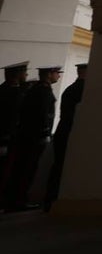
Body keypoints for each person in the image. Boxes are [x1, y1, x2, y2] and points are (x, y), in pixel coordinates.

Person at [4, 65, 61, 211]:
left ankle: (13, 200)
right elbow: (43, 114)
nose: (58, 76)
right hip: (34, 137)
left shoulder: (35, 89)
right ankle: (18, 201)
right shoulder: (43, 91)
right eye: (56, 73)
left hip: (27, 136)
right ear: (49, 74)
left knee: (21, 169)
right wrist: (45, 133)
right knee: (26, 169)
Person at [44, 62, 87, 211]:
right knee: (62, 166)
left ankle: (50, 199)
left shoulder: (70, 88)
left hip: (63, 130)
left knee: (58, 165)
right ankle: (53, 199)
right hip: (70, 131)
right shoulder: (82, 89)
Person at [0, 61, 29, 201]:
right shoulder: (14, 93)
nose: (26, 75)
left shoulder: (5, 90)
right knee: (4, 171)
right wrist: (4, 140)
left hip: (7, 138)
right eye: (24, 72)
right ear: (17, 74)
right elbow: (9, 118)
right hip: (6, 138)